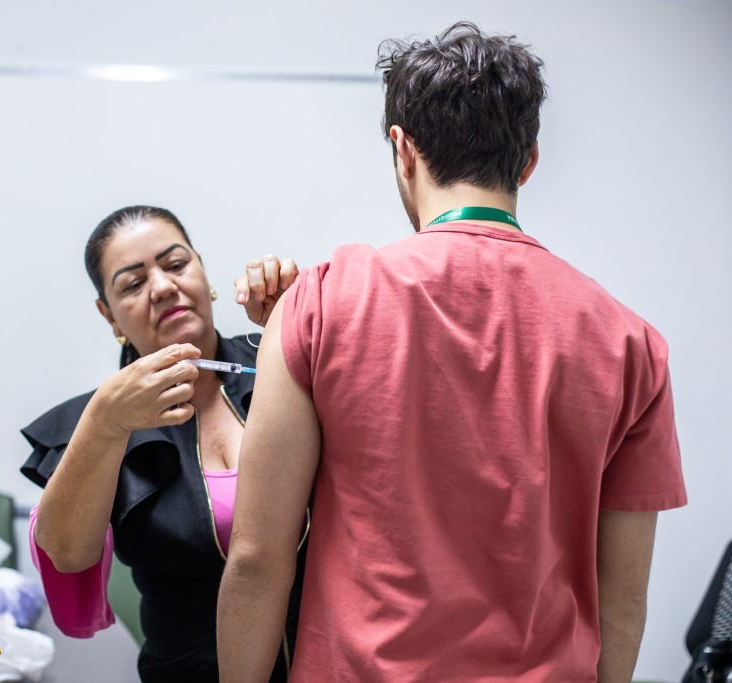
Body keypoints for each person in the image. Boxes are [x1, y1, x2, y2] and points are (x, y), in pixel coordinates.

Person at [217, 22, 687, 683]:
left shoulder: (321, 304)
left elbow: (259, 558)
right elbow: (624, 598)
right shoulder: (632, 344)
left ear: (402, 150)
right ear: (528, 161)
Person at [19, 205, 307, 682]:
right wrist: (105, 423)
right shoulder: (95, 423)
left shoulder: (278, 363)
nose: (162, 287)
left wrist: (297, 328)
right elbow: (68, 554)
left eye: (175, 265)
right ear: (107, 314)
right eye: (132, 284)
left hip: (332, 663)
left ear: (203, 269)